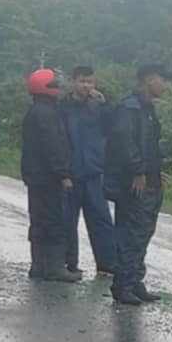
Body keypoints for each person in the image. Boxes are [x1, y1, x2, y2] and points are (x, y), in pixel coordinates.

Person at [105, 64, 172, 305]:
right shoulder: (129, 108)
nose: (166, 86)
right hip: (133, 184)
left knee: (143, 233)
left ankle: (134, 281)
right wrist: (138, 170)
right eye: (163, 80)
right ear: (149, 79)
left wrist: (155, 172)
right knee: (131, 234)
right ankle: (123, 285)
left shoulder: (147, 109)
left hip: (149, 181)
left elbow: (149, 146)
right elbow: (124, 142)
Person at [20, 68, 79, 282]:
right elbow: (53, 146)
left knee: (38, 220)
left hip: (35, 176)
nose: (59, 89)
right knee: (54, 220)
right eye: (55, 85)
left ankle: (38, 266)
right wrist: (63, 173)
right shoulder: (47, 113)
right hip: (48, 177)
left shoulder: (36, 111)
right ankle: (54, 268)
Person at [59, 67, 116, 277]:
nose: (86, 86)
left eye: (90, 82)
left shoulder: (99, 107)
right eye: (82, 81)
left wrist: (105, 104)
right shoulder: (62, 107)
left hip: (94, 173)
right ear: (73, 81)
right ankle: (69, 265)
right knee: (67, 222)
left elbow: (113, 128)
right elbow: (58, 140)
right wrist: (62, 172)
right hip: (70, 174)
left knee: (101, 220)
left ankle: (107, 265)